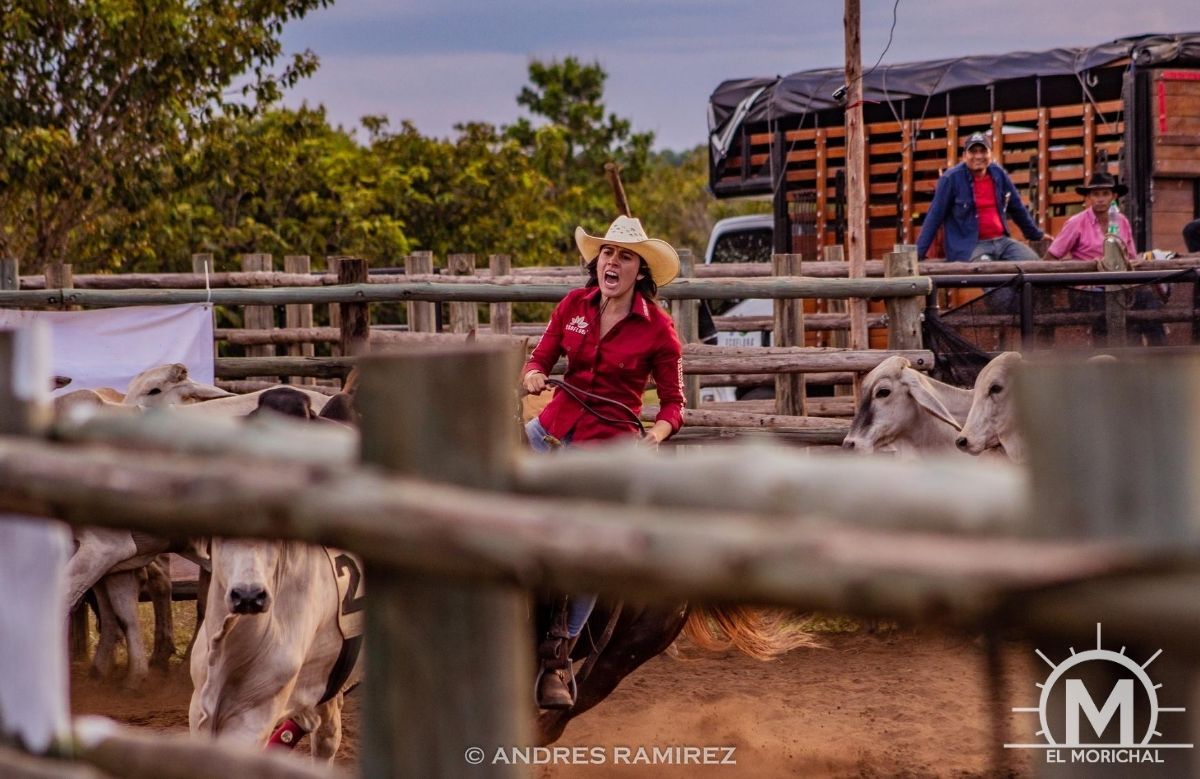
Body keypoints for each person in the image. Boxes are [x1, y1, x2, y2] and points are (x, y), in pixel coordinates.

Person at [521, 214, 685, 709]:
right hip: (548, 430)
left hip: (607, 448)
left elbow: (675, 404)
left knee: (593, 548)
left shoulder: (660, 331)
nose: (613, 261)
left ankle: (557, 654)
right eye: (608, 253)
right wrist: (531, 376)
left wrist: (654, 434)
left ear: (641, 270)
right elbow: (540, 359)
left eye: (625, 256)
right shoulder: (573, 306)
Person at [1045, 172, 1165, 345]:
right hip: (1086, 291)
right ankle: (1105, 360)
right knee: (1104, 311)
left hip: (1121, 287)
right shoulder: (1076, 222)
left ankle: (1161, 357)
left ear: (1113, 196)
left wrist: (1136, 261)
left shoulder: (1122, 221)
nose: (1100, 199)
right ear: (1088, 197)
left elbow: (1130, 256)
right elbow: (1051, 257)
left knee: (1149, 303)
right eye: (1095, 194)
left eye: (1105, 194)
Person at [916, 131, 1047, 264]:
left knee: (1034, 264)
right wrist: (919, 253)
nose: (978, 156)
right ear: (964, 156)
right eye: (973, 152)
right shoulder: (951, 179)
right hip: (970, 246)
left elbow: (1017, 207)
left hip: (1001, 241)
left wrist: (1036, 235)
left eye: (983, 151)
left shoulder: (998, 174)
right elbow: (934, 217)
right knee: (988, 272)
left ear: (990, 154)